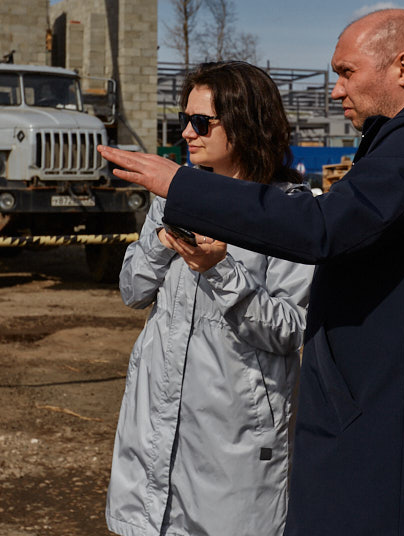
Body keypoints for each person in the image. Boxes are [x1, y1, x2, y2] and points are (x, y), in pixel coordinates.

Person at [98, 9, 404, 535]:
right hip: (182, 434)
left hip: (392, 417)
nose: (334, 90)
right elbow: (133, 289)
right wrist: (171, 212)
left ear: (402, 67)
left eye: (346, 72)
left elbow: (324, 231)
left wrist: (189, 201)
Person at [105, 61, 315, 536]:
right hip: (155, 419)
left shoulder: (289, 210)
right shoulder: (172, 194)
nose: (186, 133)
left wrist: (219, 270)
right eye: (185, 119)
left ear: (245, 122)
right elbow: (133, 292)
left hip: (233, 436)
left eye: (201, 122)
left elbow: (289, 330)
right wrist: (161, 242)